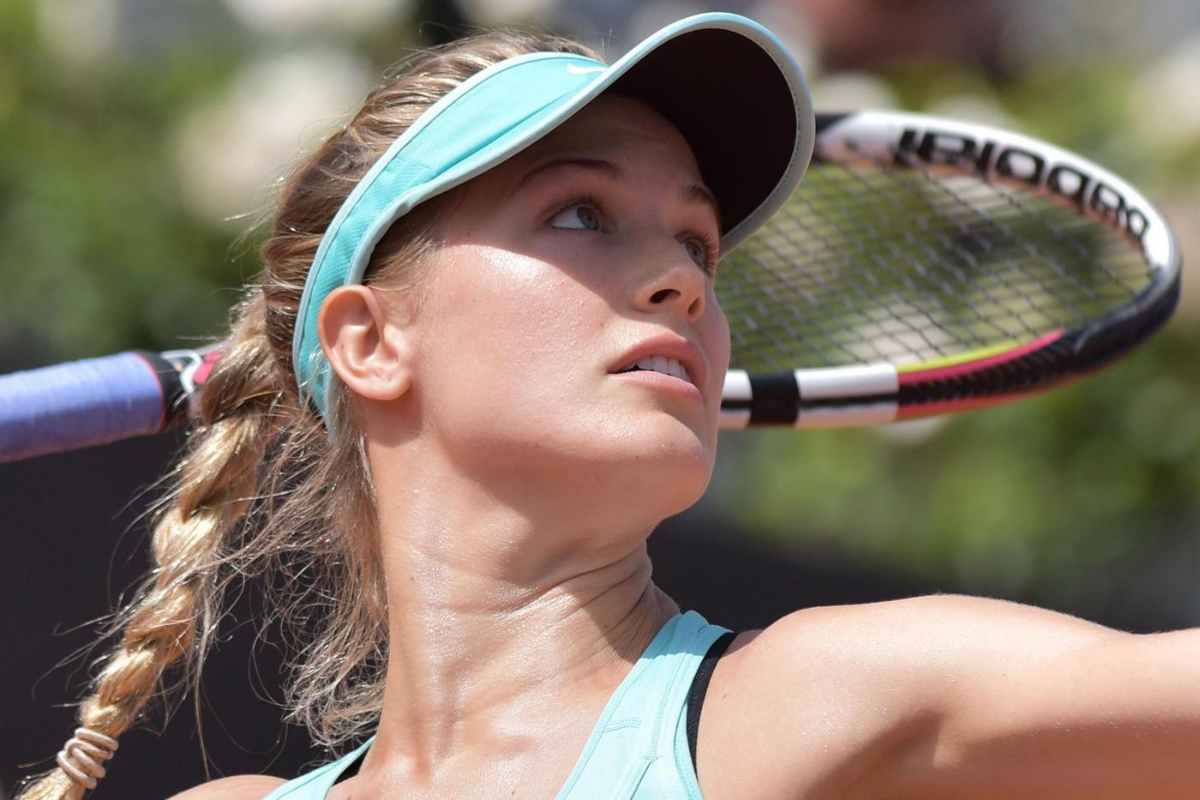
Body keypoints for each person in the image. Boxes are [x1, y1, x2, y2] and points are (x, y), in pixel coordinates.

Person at [18, 12, 1200, 800]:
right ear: (373, 340)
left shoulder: (822, 704)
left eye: (695, 238)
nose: (683, 275)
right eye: (579, 212)